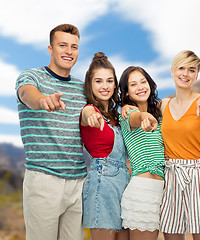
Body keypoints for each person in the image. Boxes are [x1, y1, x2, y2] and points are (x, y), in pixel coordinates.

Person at [15, 23, 86, 240]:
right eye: (62, 45)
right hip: (44, 179)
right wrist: (43, 100)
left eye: (73, 46)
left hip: (78, 182)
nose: (68, 51)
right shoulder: (32, 77)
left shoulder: (83, 88)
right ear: (50, 48)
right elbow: (27, 94)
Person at [159, 50, 200, 240]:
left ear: (196, 75)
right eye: (181, 68)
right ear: (172, 71)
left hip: (199, 175)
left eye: (191, 70)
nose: (185, 74)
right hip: (172, 175)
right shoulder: (164, 105)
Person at [80, 52, 130, 240]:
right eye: (99, 81)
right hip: (102, 186)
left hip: (124, 186)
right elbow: (86, 114)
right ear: (90, 85)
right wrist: (89, 114)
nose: (105, 86)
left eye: (109, 81)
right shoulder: (89, 110)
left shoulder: (116, 117)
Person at [118, 66, 165, 240]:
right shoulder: (128, 114)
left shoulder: (159, 115)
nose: (140, 87)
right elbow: (139, 118)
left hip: (162, 192)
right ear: (127, 92)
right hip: (143, 193)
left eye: (143, 82)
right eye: (133, 84)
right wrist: (146, 118)